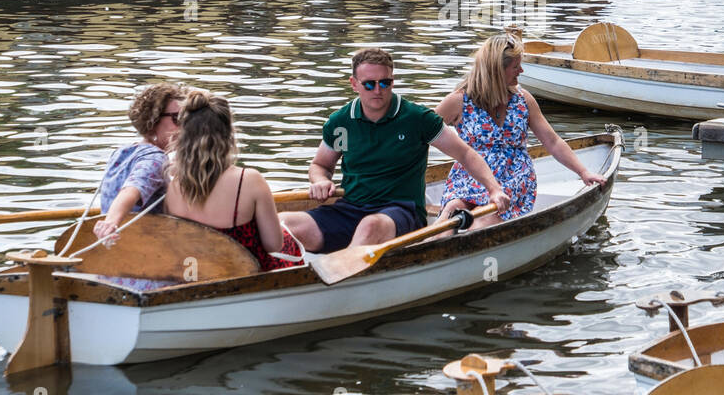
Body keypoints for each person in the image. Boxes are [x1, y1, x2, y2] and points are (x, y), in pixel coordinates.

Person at [280, 48, 512, 253]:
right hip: (350, 208)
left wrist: (494, 190)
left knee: (370, 225)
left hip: (403, 212)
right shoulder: (341, 123)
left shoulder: (417, 119)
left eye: (385, 82)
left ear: (393, 81)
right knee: (283, 223)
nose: (378, 90)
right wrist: (320, 181)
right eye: (369, 84)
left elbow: (465, 154)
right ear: (354, 84)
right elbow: (320, 166)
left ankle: (337, 277)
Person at [435, 34, 605, 230]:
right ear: (497, 71)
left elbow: (552, 141)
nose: (521, 71)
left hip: (513, 177)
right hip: (469, 175)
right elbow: (423, 134)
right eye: (516, 67)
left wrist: (583, 172)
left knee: (485, 220)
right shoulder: (458, 101)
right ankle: (429, 253)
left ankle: (466, 250)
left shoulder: (523, 100)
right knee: (452, 210)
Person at [161, 90, 302, 270]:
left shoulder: (172, 184)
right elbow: (273, 245)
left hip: (193, 274)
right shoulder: (249, 180)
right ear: (229, 134)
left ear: (184, 136)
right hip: (242, 277)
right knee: (291, 240)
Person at [93, 84, 185, 240]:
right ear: (153, 121)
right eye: (177, 118)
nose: (184, 126)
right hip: (138, 244)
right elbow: (130, 191)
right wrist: (110, 223)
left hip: (114, 247)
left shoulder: (121, 152)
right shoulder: (156, 158)